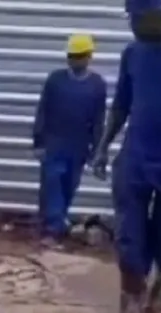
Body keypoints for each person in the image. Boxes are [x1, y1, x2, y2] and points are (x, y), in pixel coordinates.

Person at [89, 0, 161, 313]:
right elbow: (121, 105)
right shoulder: (133, 53)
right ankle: (131, 296)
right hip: (135, 159)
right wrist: (102, 147)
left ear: (157, 17)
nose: (130, 24)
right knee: (130, 237)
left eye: (135, 18)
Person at [32, 33, 107, 248]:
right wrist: (38, 141)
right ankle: (52, 230)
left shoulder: (96, 85)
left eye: (79, 56)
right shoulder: (55, 80)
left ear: (88, 57)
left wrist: (97, 148)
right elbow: (43, 111)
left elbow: (98, 119)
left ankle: (56, 224)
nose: (74, 60)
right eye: (71, 56)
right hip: (54, 142)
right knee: (52, 184)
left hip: (78, 145)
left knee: (68, 187)